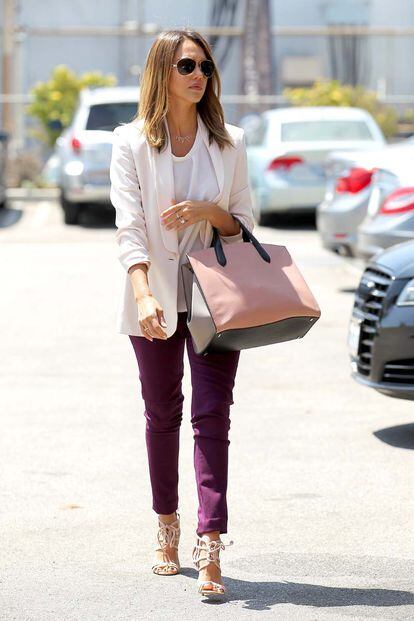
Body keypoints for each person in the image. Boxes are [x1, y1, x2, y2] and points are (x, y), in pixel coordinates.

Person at [109, 28, 255, 598]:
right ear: (162, 73)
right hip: (156, 294)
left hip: (219, 298)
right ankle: (166, 524)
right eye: (188, 65)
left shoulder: (232, 141)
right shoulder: (130, 142)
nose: (200, 75)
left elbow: (245, 223)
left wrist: (209, 211)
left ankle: (210, 540)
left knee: (213, 415)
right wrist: (143, 291)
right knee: (162, 411)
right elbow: (130, 226)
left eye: (205, 67)